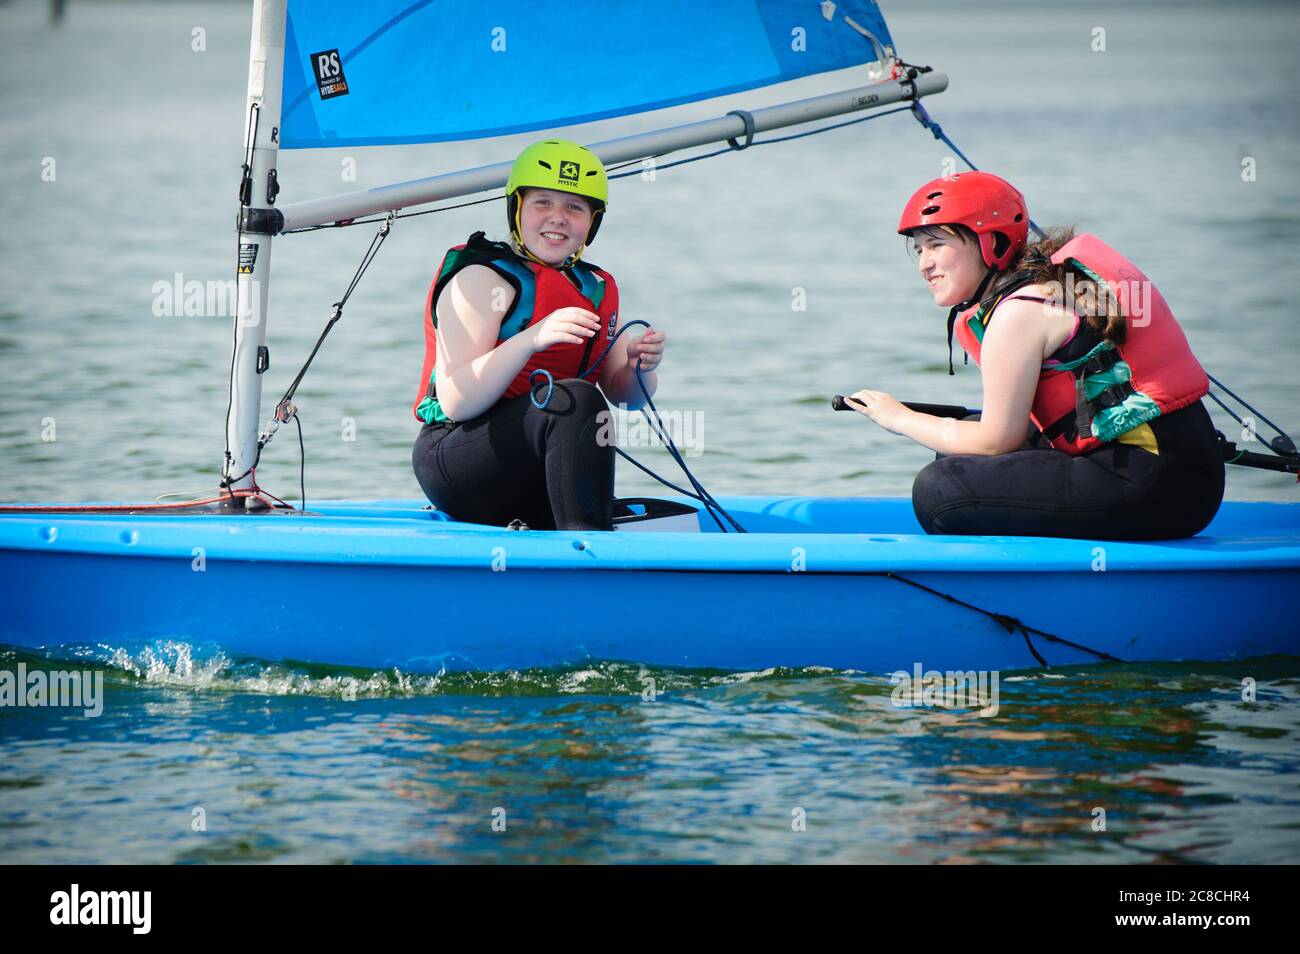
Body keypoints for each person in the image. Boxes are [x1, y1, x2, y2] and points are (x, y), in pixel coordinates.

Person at [846, 170, 1224, 540]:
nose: (924, 263)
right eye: (919, 249)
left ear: (990, 243)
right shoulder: (1047, 283)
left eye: (937, 245)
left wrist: (899, 418)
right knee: (956, 457)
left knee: (940, 491)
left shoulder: (1018, 312)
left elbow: (996, 441)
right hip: (1184, 470)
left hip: (1157, 487)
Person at [410, 139, 667, 530]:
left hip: (535, 469)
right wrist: (533, 337)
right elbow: (457, 401)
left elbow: (625, 399)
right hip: (457, 460)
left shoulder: (595, 288)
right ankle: (588, 550)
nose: (558, 217)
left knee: (583, 399)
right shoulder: (481, 279)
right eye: (542, 202)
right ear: (517, 208)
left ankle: (584, 529)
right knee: (573, 396)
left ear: (591, 223)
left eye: (574, 207)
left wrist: (639, 367)